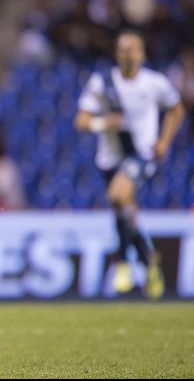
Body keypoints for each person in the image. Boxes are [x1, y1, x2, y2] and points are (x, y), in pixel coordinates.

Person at [74, 30, 184, 299]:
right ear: (116, 54)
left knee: (117, 196)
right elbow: (81, 121)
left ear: (142, 54)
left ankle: (122, 261)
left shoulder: (154, 82)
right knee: (124, 211)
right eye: (123, 49)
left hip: (141, 153)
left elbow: (176, 109)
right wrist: (103, 123)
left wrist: (164, 141)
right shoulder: (102, 83)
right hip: (109, 158)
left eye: (133, 49)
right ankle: (149, 260)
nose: (128, 54)